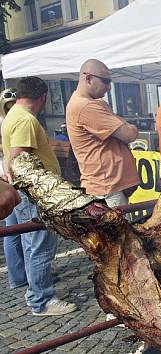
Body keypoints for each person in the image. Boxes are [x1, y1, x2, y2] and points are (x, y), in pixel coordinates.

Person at [1, 76, 77, 316]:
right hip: (35, 193)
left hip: (23, 191)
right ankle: (41, 300)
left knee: (28, 243)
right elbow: (17, 158)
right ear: (43, 97)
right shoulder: (25, 120)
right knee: (40, 246)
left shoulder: (12, 114)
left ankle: (29, 286)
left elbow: (10, 158)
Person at [66, 59, 139, 207]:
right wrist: (128, 125)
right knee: (119, 230)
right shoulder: (87, 106)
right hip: (107, 189)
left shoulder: (88, 104)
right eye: (105, 81)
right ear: (88, 78)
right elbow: (129, 134)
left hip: (107, 187)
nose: (109, 87)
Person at [0, 87, 26, 290]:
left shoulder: (8, 120)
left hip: (7, 179)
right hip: (9, 180)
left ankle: (18, 277)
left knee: (13, 230)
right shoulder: (14, 121)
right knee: (17, 232)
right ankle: (18, 277)